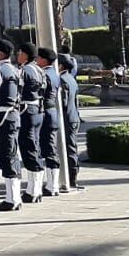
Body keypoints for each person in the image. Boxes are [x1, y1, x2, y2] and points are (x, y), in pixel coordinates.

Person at [0, 39, 22, 213]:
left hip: (4, 115)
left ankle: (12, 198)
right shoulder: (14, 69)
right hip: (13, 114)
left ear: (0, 54)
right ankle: (14, 196)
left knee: (5, 155)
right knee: (12, 154)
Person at [16, 43, 46, 204]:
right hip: (38, 109)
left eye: (20, 52)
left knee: (28, 148)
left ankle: (33, 190)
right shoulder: (39, 70)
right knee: (35, 146)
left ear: (26, 55)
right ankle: (36, 188)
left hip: (26, 110)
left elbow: (18, 93)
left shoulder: (24, 71)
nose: (18, 55)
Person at [36, 46, 63, 198]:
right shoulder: (54, 74)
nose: (36, 60)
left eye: (38, 58)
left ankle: (52, 185)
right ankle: (52, 184)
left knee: (48, 149)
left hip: (45, 112)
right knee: (49, 148)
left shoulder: (44, 74)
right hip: (51, 111)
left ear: (44, 60)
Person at [58, 53, 84, 192]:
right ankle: (72, 176)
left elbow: (63, 103)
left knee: (69, 149)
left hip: (66, 119)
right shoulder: (70, 78)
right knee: (71, 148)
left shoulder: (62, 80)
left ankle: (71, 177)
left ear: (60, 65)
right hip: (73, 117)